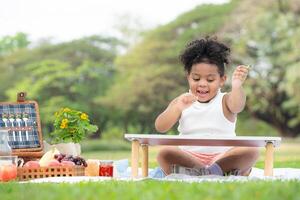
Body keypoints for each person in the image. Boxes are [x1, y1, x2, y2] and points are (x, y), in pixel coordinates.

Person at [154, 37, 259, 176]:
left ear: (222, 80)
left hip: (222, 157)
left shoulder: (225, 100)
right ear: (188, 77)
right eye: (196, 78)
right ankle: (208, 172)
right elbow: (160, 127)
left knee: (251, 151)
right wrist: (178, 107)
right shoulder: (181, 101)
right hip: (189, 157)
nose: (202, 83)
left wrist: (237, 86)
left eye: (210, 79)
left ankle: (209, 171)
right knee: (165, 153)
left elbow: (238, 106)